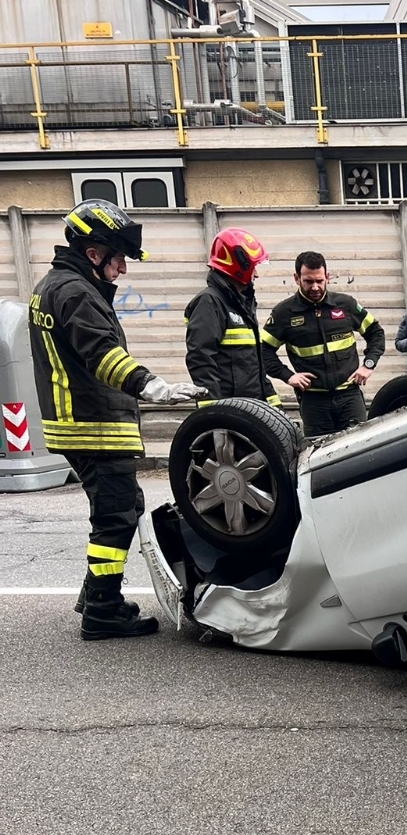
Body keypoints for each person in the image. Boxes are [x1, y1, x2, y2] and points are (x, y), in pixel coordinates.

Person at [28, 199, 207, 640]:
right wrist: (153, 386)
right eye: (118, 258)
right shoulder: (75, 292)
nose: (122, 269)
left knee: (124, 507)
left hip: (82, 423)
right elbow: (101, 356)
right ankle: (103, 611)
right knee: (116, 515)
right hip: (94, 424)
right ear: (94, 253)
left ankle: (95, 594)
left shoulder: (59, 286)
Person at [261, 251, 386, 436]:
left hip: (349, 396)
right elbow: (263, 350)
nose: (315, 287)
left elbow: (376, 333)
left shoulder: (345, 304)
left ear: (327, 277)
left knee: (361, 453)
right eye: (308, 281)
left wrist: (368, 365)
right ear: (297, 278)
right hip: (313, 402)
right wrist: (287, 376)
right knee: (318, 457)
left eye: (319, 281)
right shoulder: (283, 313)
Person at [184, 228, 280, 407]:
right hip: (231, 412)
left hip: (250, 409)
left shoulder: (241, 303)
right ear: (239, 266)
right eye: (253, 267)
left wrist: (274, 407)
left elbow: (255, 365)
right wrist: (214, 410)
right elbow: (200, 358)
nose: (256, 274)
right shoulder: (209, 302)